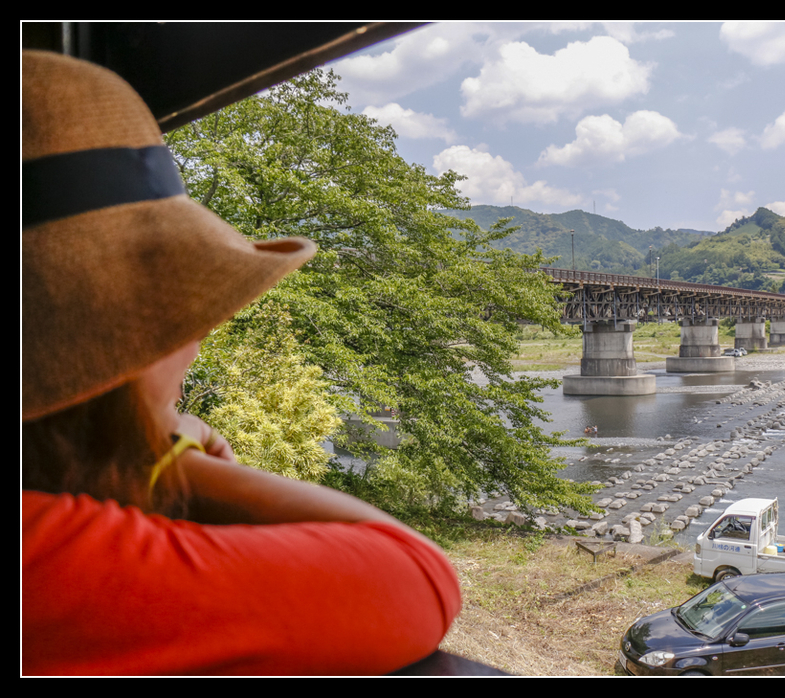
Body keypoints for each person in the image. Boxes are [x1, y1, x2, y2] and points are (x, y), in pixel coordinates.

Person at [21, 51, 461, 676]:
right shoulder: (46, 562)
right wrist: (168, 455)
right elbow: (414, 578)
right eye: (171, 314)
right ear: (98, 354)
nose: (200, 333)